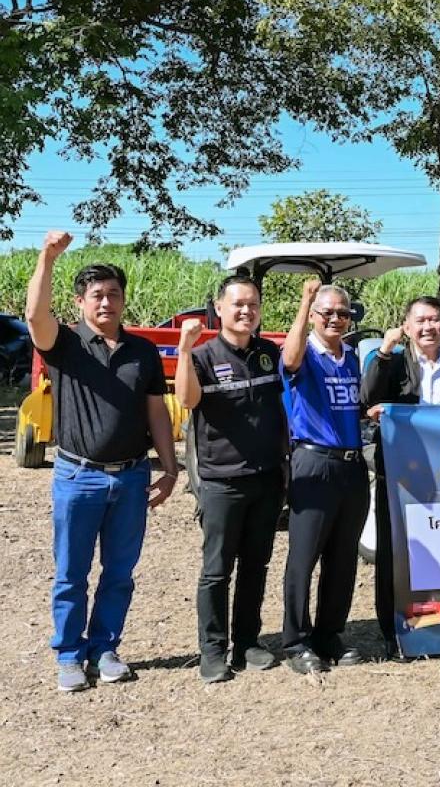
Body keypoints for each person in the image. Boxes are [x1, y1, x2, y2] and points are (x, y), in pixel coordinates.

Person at [25, 230, 179, 693]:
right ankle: (69, 655)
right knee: (72, 573)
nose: (106, 302)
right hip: (78, 477)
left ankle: (105, 648)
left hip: (132, 477)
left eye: (114, 294)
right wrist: (46, 259)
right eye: (97, 295)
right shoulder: (65, 346)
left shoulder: (143, 352)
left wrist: (169, 469)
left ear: (124, 300)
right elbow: (35, 315)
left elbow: (157, 410)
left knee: (119, 573)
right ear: (81, 303)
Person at [175, 275, 288, 684]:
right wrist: (184, 348)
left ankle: (247, 642)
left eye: (253, 305)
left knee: (256, 564)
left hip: (267, 477)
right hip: (223, 481)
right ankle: (212, 649)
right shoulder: (204, 356)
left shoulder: (267, 353)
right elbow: (187, 401)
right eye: (238, 304)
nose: (246, 311)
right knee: (217, 569)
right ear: (218, 308)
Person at [362, 296, 440, 662]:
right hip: (398, 474)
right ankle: (392, 629)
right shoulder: (391, 363)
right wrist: (384, 351)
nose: (429, 327)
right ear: (407, 326)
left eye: (436, 320)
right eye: (421, 321)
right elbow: (368, 399)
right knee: (395, 554)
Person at [279, 279, 368, 674]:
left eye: (342, 313)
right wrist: (304, 302)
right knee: (304, 555)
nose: (335, 319)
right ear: (314, 316)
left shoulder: (351, 356)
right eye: (327, 312)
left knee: (343, 556)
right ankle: (296, 641)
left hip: (351, 465)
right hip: (314, 461)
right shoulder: (305, 351)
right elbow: (291, 360)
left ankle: (329, 633)